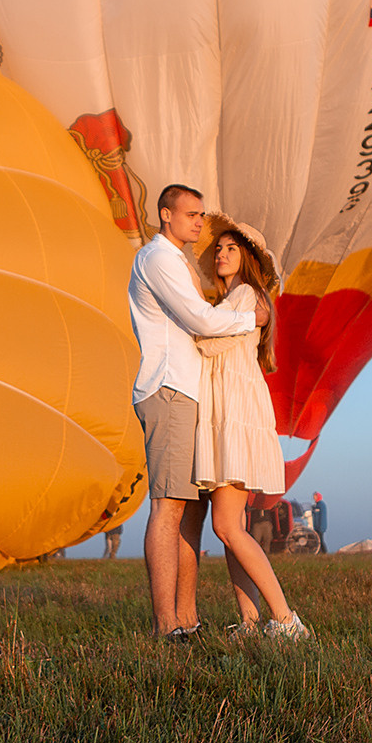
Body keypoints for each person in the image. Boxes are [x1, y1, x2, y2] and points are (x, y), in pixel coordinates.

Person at [128, 184, 266, 640]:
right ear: (165, 215)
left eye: (200, 215)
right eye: (189, 214)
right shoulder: (159, 260)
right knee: (168, 507)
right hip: (168, 390)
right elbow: (201, 323)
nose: (198, 223)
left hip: (188, 396)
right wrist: (253, 319)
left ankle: (186, 619)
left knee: (190, 514)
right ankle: (166, 624)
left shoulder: (180, 263)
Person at [189, 213, 310, 640]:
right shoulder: (231, 301)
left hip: (235, 414)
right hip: (227, 411)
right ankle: (251, 623)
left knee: (225, 526)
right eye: (218, 249)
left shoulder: (246, 296)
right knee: (231, 529)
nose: (221, 254)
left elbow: (207, 341)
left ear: (248, 258)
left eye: (231, 248)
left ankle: (285, 619)